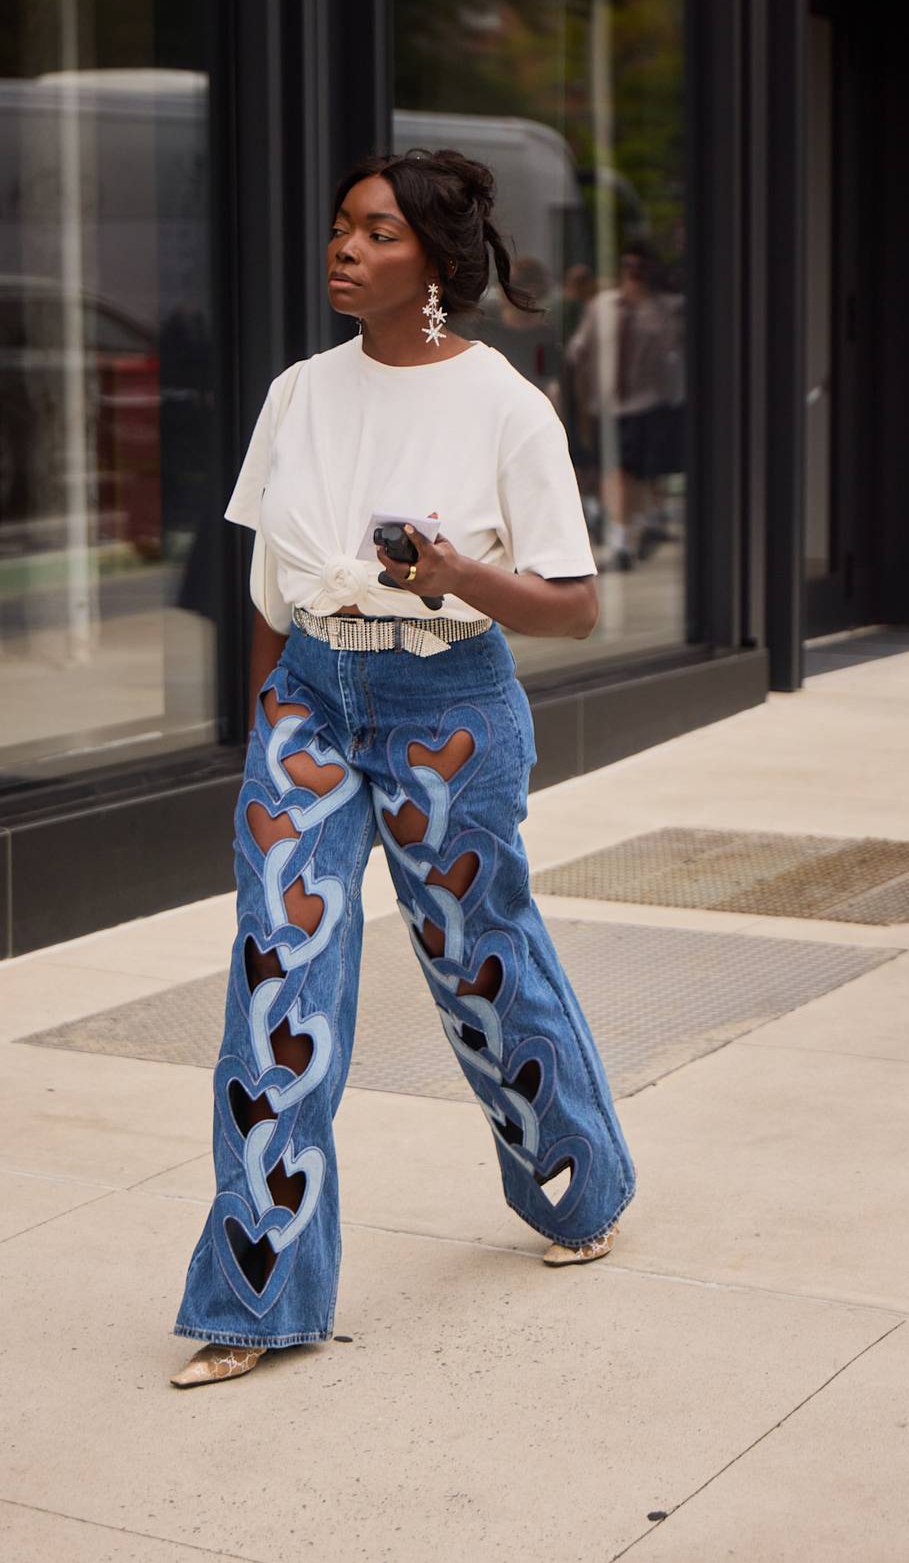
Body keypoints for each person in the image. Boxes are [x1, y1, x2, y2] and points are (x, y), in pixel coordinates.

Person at [171, 148, 637, 1387]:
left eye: (375, 233)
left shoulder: (505, 406)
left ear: (432, 261)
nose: (343, 249)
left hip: (452, 709)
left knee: (481, 965)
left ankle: (579, 1183)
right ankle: (255, 1296)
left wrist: (455, 574)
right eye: (339, 228)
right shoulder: (298, 394)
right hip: (313, 700)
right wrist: (270, 703)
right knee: (279, 975)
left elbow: (575, 608)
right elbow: (270, 575)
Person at [566, 245, 671, 570]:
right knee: (615, 473)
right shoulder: (602, 307)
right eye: (628, 267)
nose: (633, 274)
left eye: (639, 268)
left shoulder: (659, 311)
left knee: (636, 475)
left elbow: (668, 360)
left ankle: (633, 528)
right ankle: (621, 537)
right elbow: (578, 352)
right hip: (607, 405)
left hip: (645, 405)